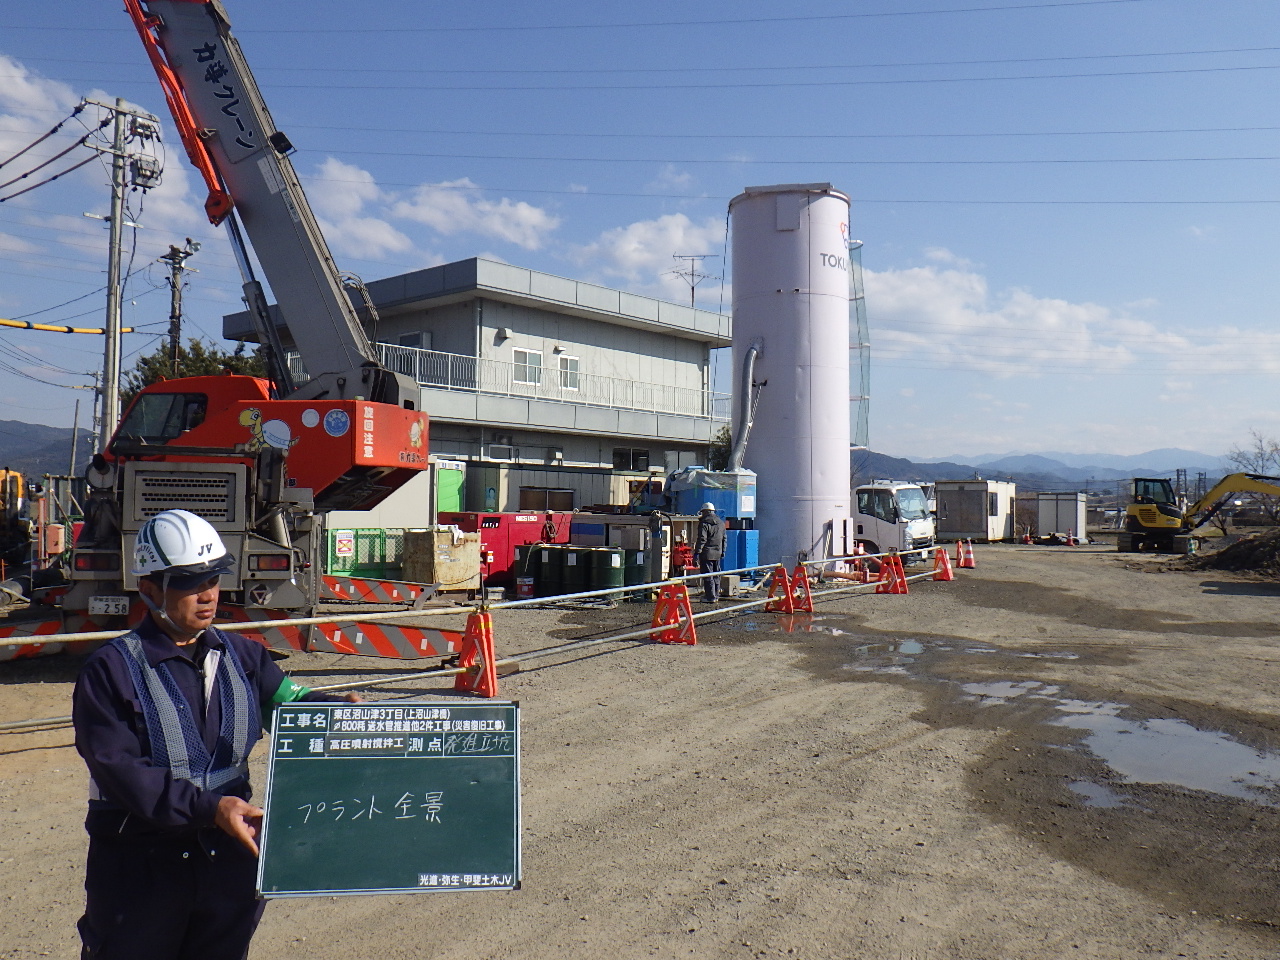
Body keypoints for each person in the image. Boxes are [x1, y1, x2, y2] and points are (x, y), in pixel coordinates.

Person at [73, 509, 358, 960]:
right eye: (188, 582)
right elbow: (121, 771)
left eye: (212, 578)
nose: (206, 594)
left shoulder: (243, 656)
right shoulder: (110, 671)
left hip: (227, 865)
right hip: (141, 870)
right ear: (150, 589)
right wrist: (209, 808)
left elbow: (290, 704)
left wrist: (343, 714)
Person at [693, 502, 726, 602]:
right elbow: (724, 539)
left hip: (707, 553)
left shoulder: (704, 523)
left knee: (708, 575)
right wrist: (723, 551)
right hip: (717, 553)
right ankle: (715, 595)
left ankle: (710, 597)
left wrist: (697, 553)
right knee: (716, 575)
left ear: (705, 512)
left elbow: (702, 539)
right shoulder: (721, 523)